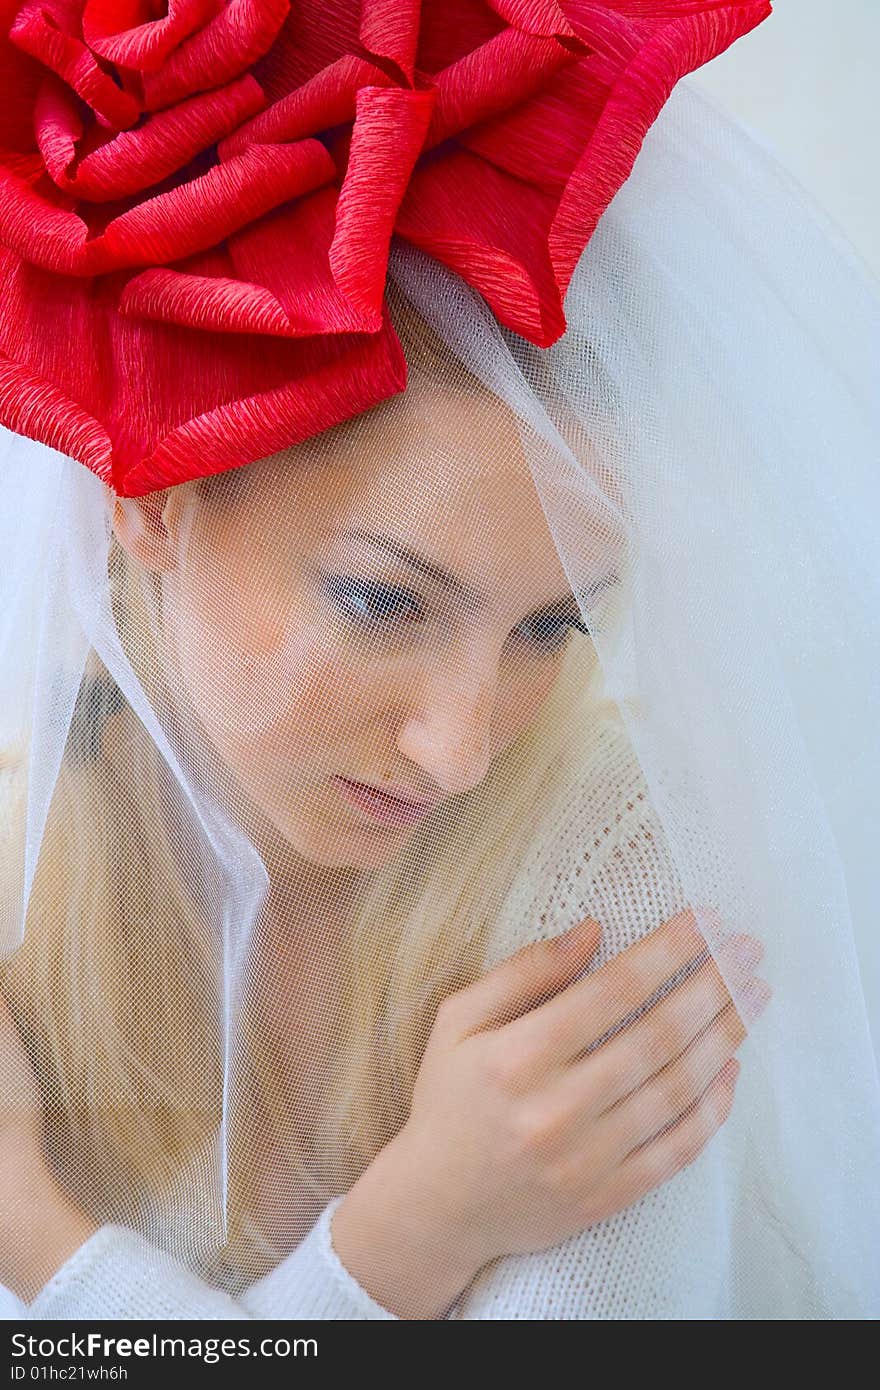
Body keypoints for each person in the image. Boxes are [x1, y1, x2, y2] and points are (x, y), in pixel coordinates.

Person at [1, 9, 879, 1319]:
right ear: (153, 500)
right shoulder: (21, 847)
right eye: (384, 602)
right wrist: (416, 1248)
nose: (466, 749)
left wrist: (37, 1229)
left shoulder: (629, 886)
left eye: (552, 624)